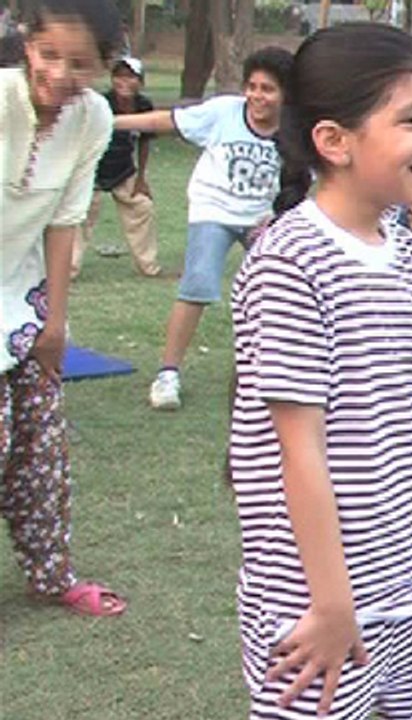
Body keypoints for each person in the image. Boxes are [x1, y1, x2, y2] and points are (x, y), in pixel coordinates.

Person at [229, 22, 412, 719]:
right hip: (315, 606)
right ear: (334, 141)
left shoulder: (407, 255)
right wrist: (333, 604)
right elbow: (296, 446)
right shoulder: (290, 263)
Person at [1, 0, 126, 617]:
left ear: (105, 65)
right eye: (49, 54)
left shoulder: (93, 118)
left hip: (20, 302)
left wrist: (54, 323)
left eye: (79, 63)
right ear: (27, 44)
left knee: (40, 451)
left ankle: (52, 577)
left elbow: (66, 219)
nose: (59, 73)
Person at [113, 46, 294, 410]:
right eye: (253, 86)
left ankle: (276, 373)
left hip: (261, 218)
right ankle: (168, 374)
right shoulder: (223, 113)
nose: (257, 96)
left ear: (286, 94)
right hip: (213, 209)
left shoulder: (295, 130)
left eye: (268, 89)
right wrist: (110, 122)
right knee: (198, 284)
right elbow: (167, 122)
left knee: (283, 289)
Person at [71, 56, 162, 279]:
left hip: (123, 169)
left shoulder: (143, 105)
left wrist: (141, 178)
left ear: (140, 82)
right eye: (119, 76)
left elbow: (144, 141)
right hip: (92, 169)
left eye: (130, 77)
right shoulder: (101, 103)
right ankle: (67, 269)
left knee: (142, 207)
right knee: (78, 217)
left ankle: (148, 267)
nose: (124, 82)